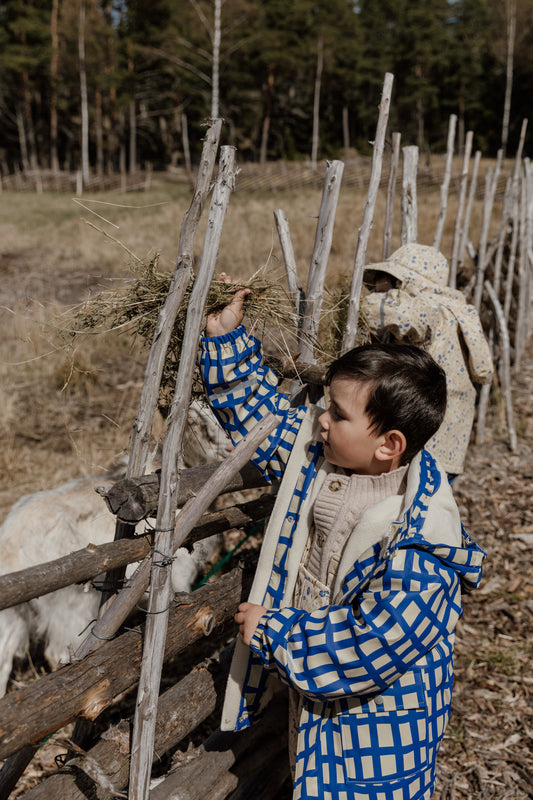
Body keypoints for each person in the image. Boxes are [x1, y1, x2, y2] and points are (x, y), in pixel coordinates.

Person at [200, 278, 485, 800]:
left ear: (388, 445)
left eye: (337, 413)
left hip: (382, 738)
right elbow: (264, 418)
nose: (320, 420)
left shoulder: (421, 543)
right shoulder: (322, 464)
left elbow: (373, 644)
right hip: (323, 713)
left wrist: (273, 633)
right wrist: (224, 340)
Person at [360, 243, 493, 477]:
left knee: (407, 508)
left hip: (424, 448)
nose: (378, 285)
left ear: (405, 283)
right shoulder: (456, 311)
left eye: (385, 278)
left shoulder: (429, 310)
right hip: (446, 446)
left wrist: (359, 306)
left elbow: (394, 313)